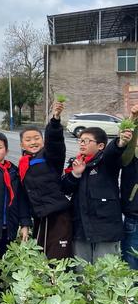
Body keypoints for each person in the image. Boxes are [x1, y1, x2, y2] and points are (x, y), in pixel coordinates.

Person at [62, 126, 131, 264]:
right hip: (81, 228)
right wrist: (76, 174)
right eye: (80, 140)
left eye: (86, 141)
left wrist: (121, 142)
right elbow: (65, 188)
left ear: (100, 146)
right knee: (81, 272)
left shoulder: (107, 162)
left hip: (106, 229)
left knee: (104, 273)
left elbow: (112, 152)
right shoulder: (76, 162)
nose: (82, 143)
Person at [18, 101, 73, 259]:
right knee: (41, 257)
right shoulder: (22, 165)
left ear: (43, 141)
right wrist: (25, 223)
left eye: (36, 138)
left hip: (58, 216)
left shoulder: (49, 157)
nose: (33, 142)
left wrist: (55, 120)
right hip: (41, 217)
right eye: (28, 140)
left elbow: (56, 145)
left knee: (57, 259)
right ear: (22, 144)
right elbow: (23, 197)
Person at [121, 105, 138, 269]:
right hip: (135, 217)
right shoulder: (130, 156)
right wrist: (132, 118)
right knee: (131, 265)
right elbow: (125, 138)